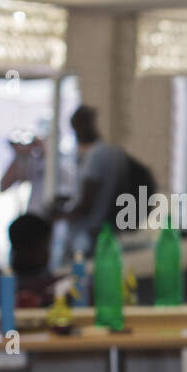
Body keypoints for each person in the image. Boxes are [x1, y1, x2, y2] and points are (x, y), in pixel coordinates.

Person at [57, 106, 129, 261]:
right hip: (107, 229)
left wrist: (61, 216)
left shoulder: (96, 156)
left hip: (91, 233)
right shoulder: (113, 154)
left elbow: (87, 202)